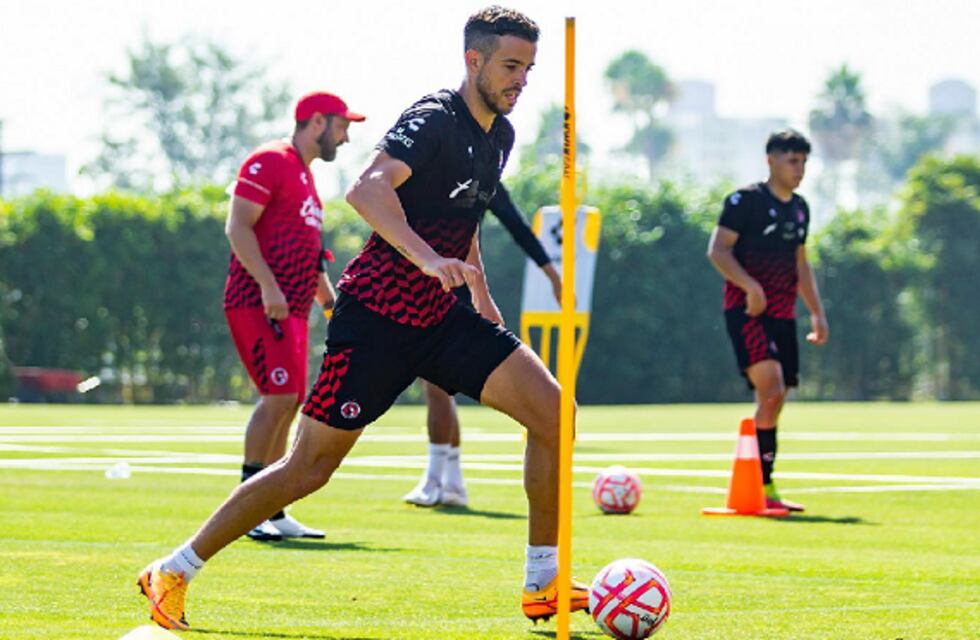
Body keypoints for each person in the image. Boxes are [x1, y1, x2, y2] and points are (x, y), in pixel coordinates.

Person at [137, 7, 588, 631]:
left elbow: (466, 224)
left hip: (445, 316)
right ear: (474, 60)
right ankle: (174, 569)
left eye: (529, 69)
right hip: (376, 316)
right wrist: (429, 259)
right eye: (511, 66)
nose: (521, 80)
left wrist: (479, 296)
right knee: (308, 469)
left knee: (554, 413)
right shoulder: (432, 118)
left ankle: (543, 581)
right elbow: (366, 191)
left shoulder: (500, 138)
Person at [222, 91, 364, 541]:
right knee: (278, 398)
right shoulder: (270, 160)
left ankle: (273, 508)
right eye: (341, 127)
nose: (344, 139)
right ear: (317, 122)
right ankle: (248, 506)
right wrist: (267, 284)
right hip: (259, 302)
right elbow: (238, 225)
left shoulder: (304, 177)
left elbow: (312, 254)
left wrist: (330, 305)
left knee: (290, 401)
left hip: (294, 308)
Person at [404, 184, 562, 508]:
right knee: (436, 389)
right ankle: (450, 480)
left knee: (436, 387)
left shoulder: (483, 177)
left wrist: (553, 277)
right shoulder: (424, 169)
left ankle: (439, 478)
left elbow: (517, 227)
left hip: (455, 292)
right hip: (422, 288)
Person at [706, 129, 829, 512]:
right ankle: (762, 486)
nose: (800, 169)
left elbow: (800, 263)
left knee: (775, 399)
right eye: (793, 161)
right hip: (748, 313)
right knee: (772, 389)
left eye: (804, 162)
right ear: (771, 160)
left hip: (783, 316)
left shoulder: (800, 208)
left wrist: (817, 312)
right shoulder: (745, 201)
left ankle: (764, 488)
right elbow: (718, 251)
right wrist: (750, 286)